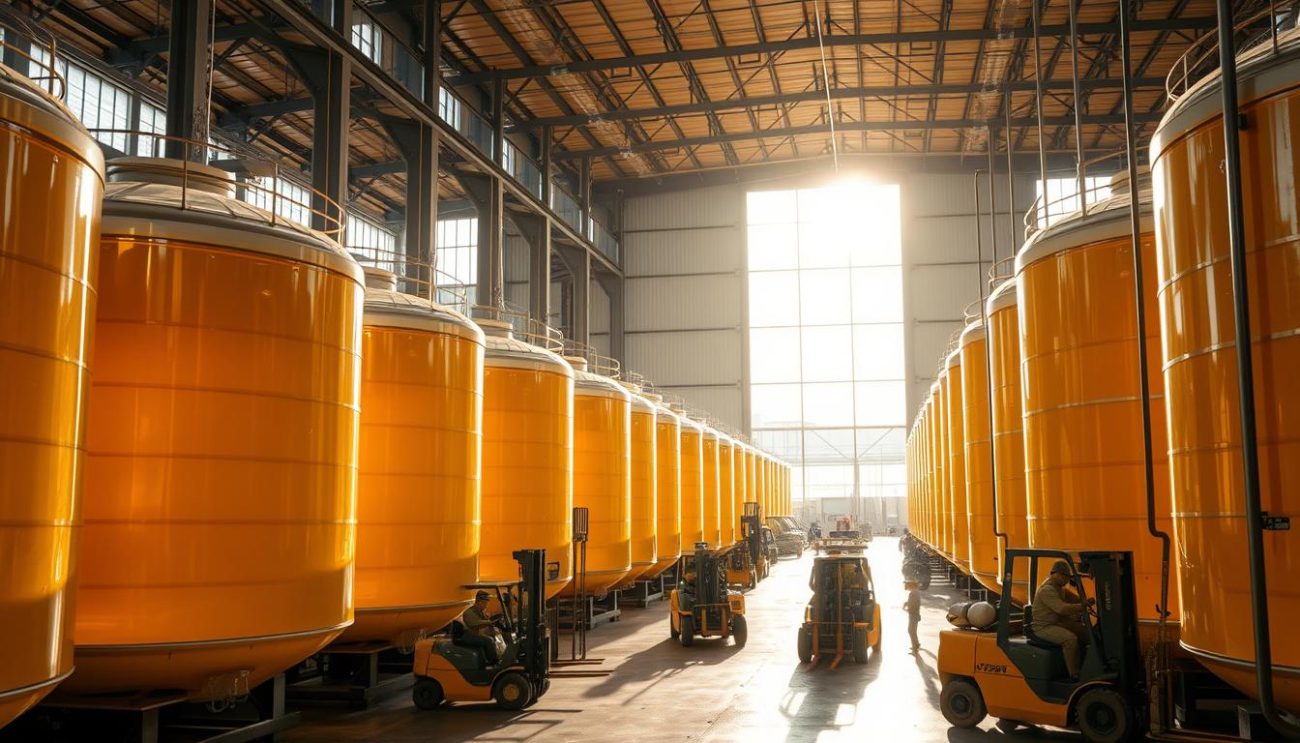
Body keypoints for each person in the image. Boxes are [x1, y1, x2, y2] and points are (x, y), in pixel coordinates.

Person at [1030, 560, 1093, 680]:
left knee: (1085, 632)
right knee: (1070, 639)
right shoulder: (1047, 590)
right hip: (1044, 627)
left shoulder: (1059, 588)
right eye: (1066, 577)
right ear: (1057, 574)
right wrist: (1082, 606)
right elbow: (1062, 609)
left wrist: (1086, 601)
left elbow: (1076, 599)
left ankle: (1087, 665)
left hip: (1057, 623)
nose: (1067, 580)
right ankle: (1075, 674)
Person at [455, 590, 500, 666]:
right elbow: (473, 623)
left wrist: (492, 622)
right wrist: (489, 622)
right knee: (489, 641)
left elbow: (485, 621)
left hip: (474, 634)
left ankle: (490, 659)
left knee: (492, 637)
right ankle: (494, 662)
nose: (486, 606)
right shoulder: (469, 612)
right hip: (467, 636)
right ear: (480, 602)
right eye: (485, 603)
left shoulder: (480, 611)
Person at [905, 581, 922, 653]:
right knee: (913, 631)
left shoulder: (913, 594)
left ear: (911, 586)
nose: (907, 587)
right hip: (915, 614)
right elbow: (913, 602)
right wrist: (906, 603)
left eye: (908, 586)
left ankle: (915, 648)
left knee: (911, 631)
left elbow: (914, 604)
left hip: (913, 614)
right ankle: (916, 644)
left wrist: (908, 609)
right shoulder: (916, 592)